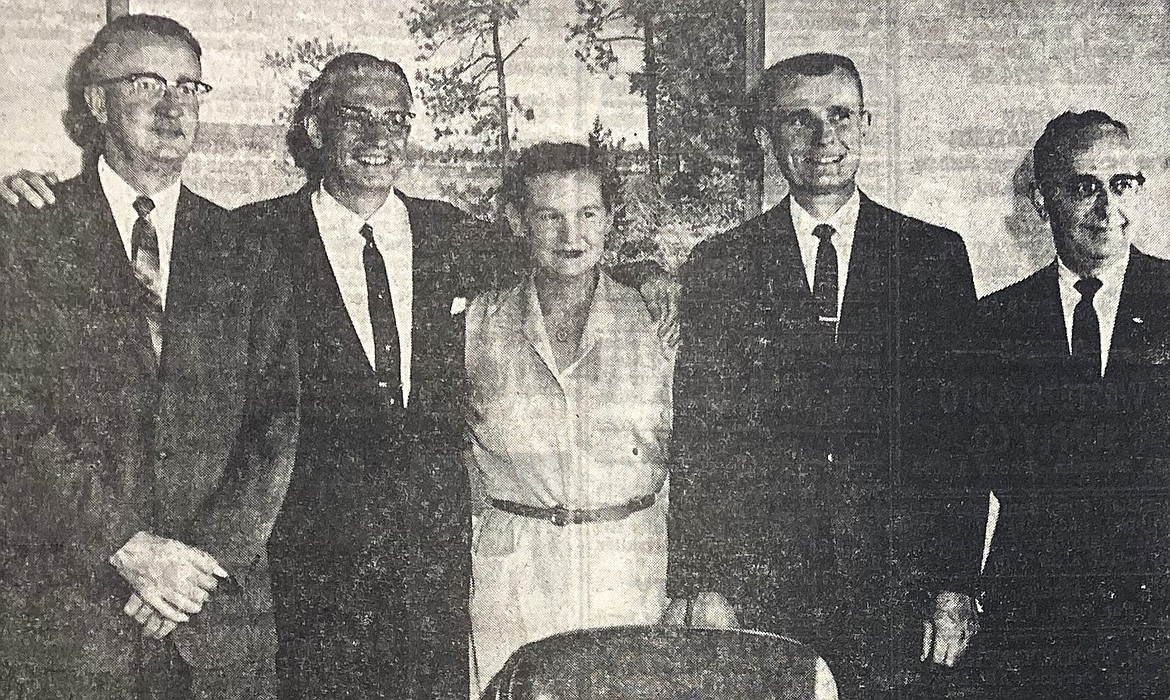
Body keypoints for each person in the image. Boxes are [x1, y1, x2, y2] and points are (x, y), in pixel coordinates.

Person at [0, 14, 297, 700]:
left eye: (190, 87)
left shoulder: (247, 250)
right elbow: (13, 422)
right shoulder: (25, 235)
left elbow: (276, 426)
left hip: (215, 623)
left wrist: (197, 566)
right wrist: (127, 547)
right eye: (147, 82)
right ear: (97, 102)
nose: (173, 106)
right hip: (72, 625)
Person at [666, 52, 980, 698]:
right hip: (768, 594)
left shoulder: (931, 257)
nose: (823, 138)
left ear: (865, 122)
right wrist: (700, 584)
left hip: (901, 594)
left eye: (839, 116)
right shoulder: (721, 265)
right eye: (798, 121)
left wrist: (955, 583)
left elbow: (959, 440)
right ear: (766, 137)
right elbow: (700, 442)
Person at [961, 110, 1170, 698]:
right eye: (1084, 187)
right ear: (1040, 201)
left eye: (1122, 184)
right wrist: (953, 586)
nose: (1108, 208)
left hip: (1157, 622)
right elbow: (963, 474)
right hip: (1033, 625)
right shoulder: (995, 323)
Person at [465, 142, 674, 690]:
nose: (571, 235)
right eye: (549, 216)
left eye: (587, 214)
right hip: (514, 582)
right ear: (517, 221)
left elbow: (692, 461)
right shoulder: (477, 327)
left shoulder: (657, 323)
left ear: (609, 219)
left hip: (627, 576)